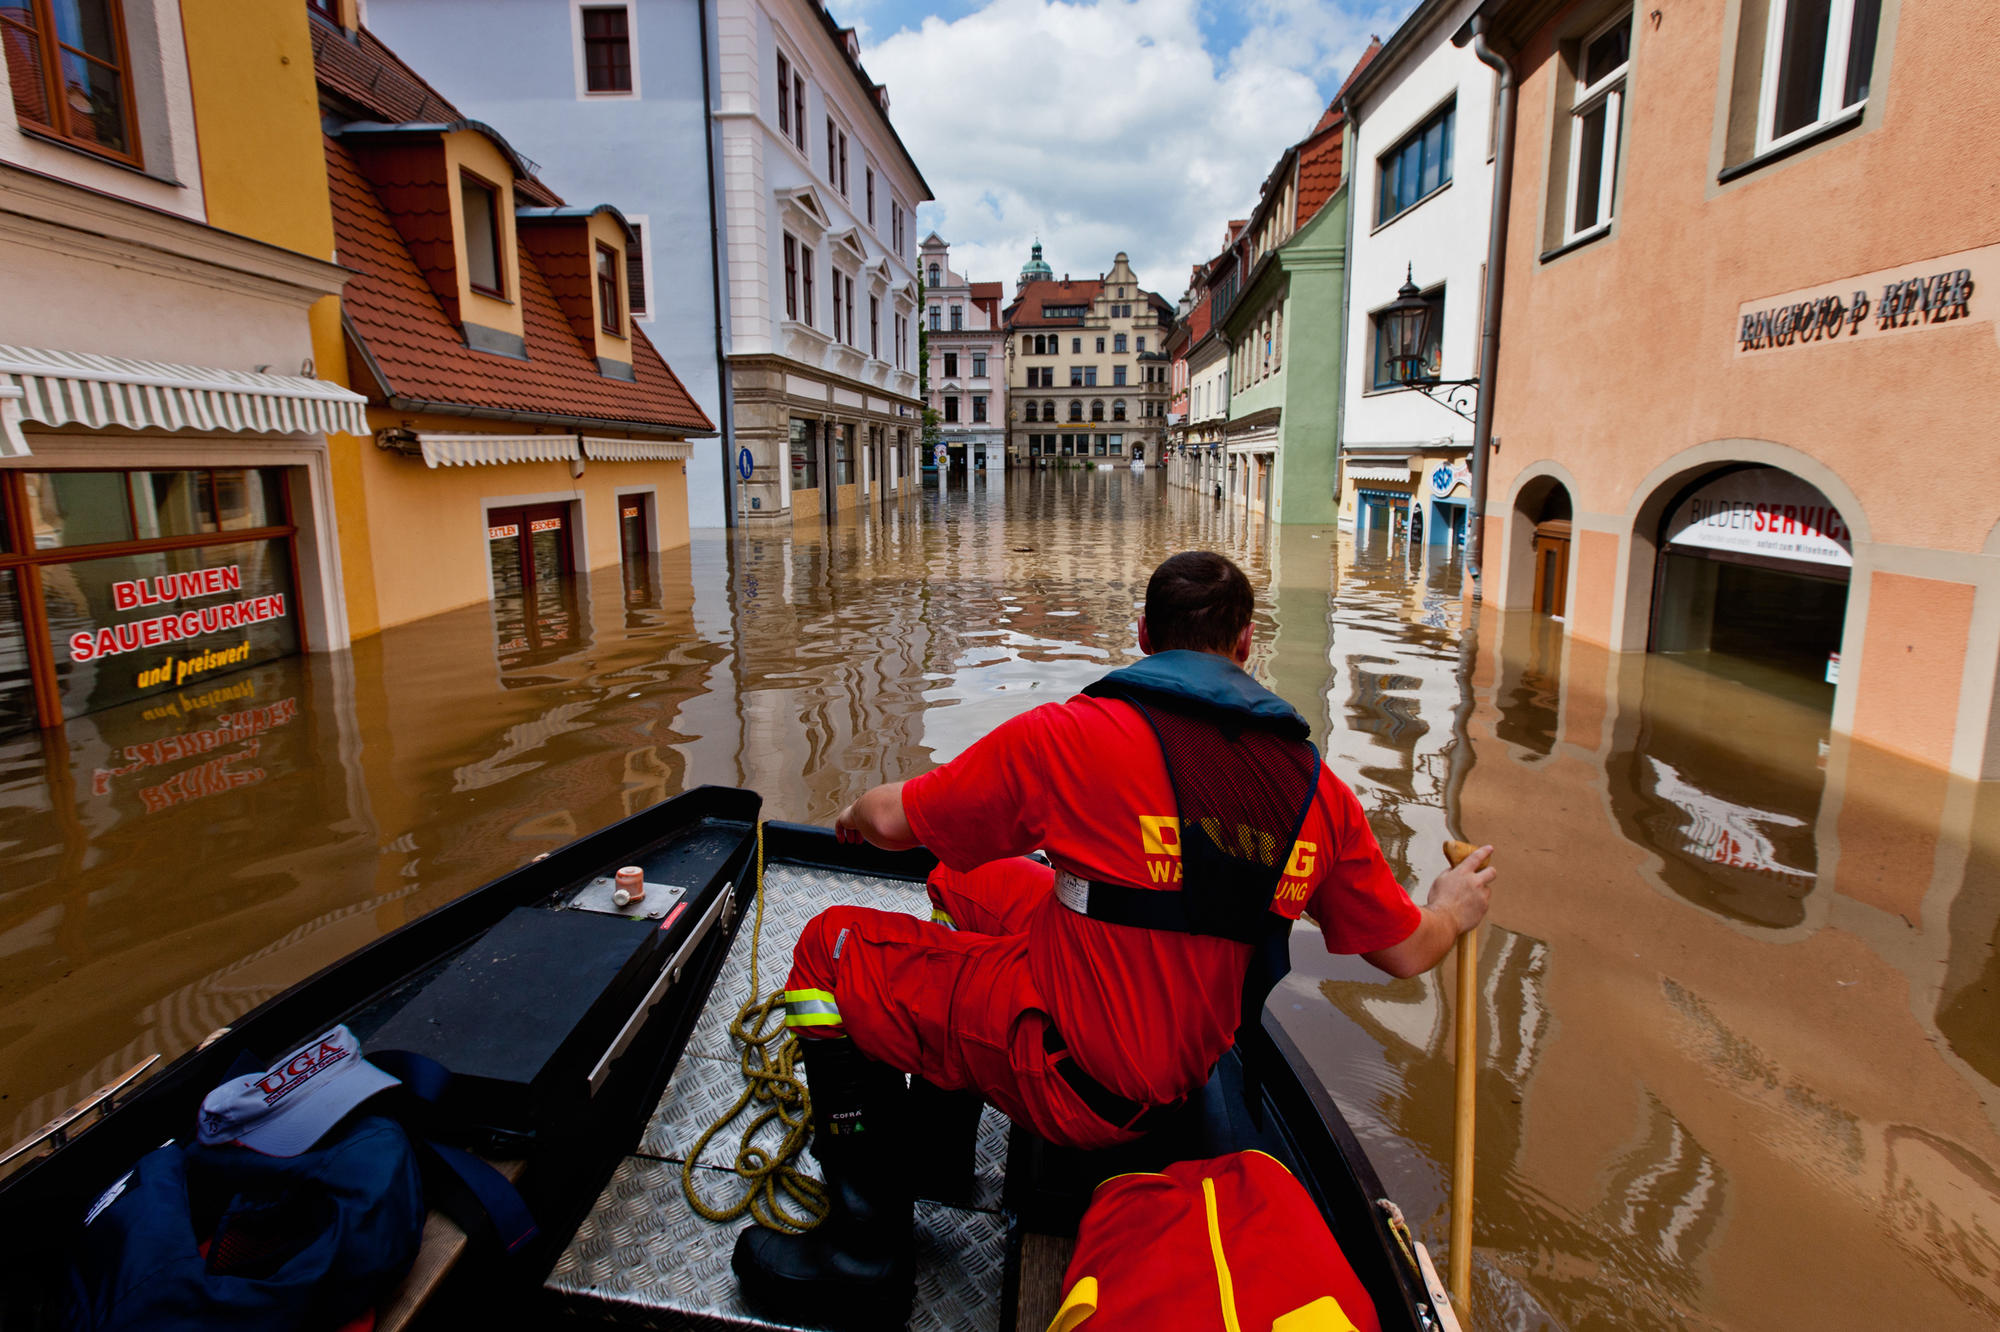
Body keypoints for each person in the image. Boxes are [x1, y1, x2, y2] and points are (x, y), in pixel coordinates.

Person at [732, 551, 1495, 1326]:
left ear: (1142, 637)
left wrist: (857, 814)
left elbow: (896, 822)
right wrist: (1454, 907)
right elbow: (1405, 950)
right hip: (1168, 1057)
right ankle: (934, 1156)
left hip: (1074, 1073)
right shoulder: (1316, 791)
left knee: (827, 949)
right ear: (1244, 646)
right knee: (963, 883)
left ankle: (863, 1250)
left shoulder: (1075, 736)